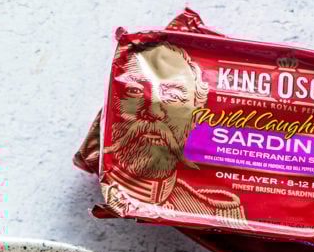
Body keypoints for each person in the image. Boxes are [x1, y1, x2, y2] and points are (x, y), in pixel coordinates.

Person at [98, 42, 246, 225]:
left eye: (174, 97)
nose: (154, 112)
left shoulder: (218, 212)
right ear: (113, 104)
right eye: (135, 91)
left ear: (195, 118)